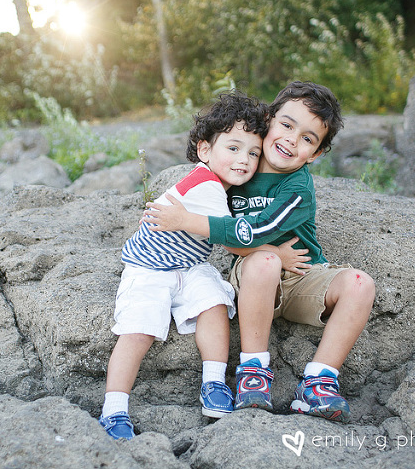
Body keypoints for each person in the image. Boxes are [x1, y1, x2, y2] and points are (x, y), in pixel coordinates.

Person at [142, 81, 376, 424]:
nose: (292, 140)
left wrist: (188, 221)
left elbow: (255, 232)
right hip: (254, 278)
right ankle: (253, 370)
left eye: (308, 139)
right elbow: (229, 229)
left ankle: (320, 380)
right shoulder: (239, 167)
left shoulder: (297, 187)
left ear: (316, 154)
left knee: (361, 284)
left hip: (301, 276)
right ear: (269, 119)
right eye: (286, 125)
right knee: (265, 260)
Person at [99, 90, 270, 440]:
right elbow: (235, 239)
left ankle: (214, 383)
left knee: (214, 302)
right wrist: (277, 253)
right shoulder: (206, 183)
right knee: (139, 328)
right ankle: (113, 410)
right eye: (233, 148)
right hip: (150, 268)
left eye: (254, 152)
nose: (244, 160)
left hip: (189, 266)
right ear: (205, 150)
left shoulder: (224, 187)